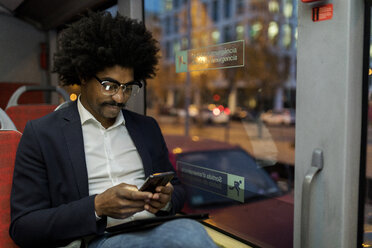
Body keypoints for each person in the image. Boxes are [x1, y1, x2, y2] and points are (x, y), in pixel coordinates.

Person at [9, 11, 217, 248]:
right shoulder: (42, 134)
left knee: (191, 232)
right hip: (96, 239)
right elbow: (23, 226)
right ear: (83, 75)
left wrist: (167, 200)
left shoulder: (146, 128)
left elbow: (177, 189)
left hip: (157, 229)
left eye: (128, 87)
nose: (120, 97)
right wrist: (97, 207)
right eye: (109, 86)